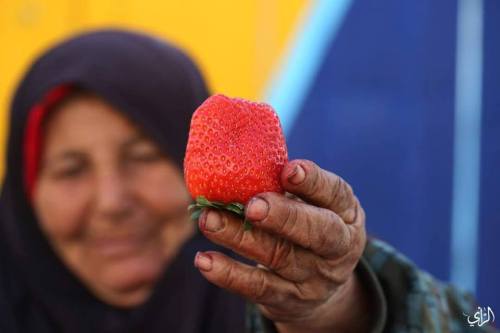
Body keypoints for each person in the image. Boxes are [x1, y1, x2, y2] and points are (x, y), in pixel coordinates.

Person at [0, 29, 496, 333]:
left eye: (145, 155)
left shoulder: (296, 272)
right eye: (70, 169)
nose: (111, 202)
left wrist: (338, 313)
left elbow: (480, 322)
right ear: (24, 195)